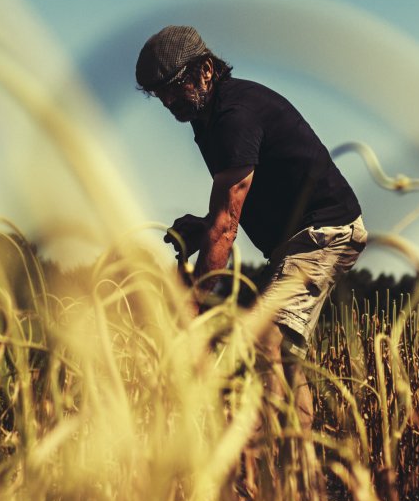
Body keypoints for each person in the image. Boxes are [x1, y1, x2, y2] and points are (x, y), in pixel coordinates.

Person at [136, 24, 367, 430]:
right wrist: (204, 225)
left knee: (262, 340)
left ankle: (263, 471)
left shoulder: (233, 114)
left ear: (205, 69)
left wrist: (194, 301)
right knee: (284, 359)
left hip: (324, 235)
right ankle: (297, 476)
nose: (169, 100)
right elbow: (231, 208)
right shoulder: (206, 117)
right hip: (295, 243)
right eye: (160, 93)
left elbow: (227, 226)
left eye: (175, 86)